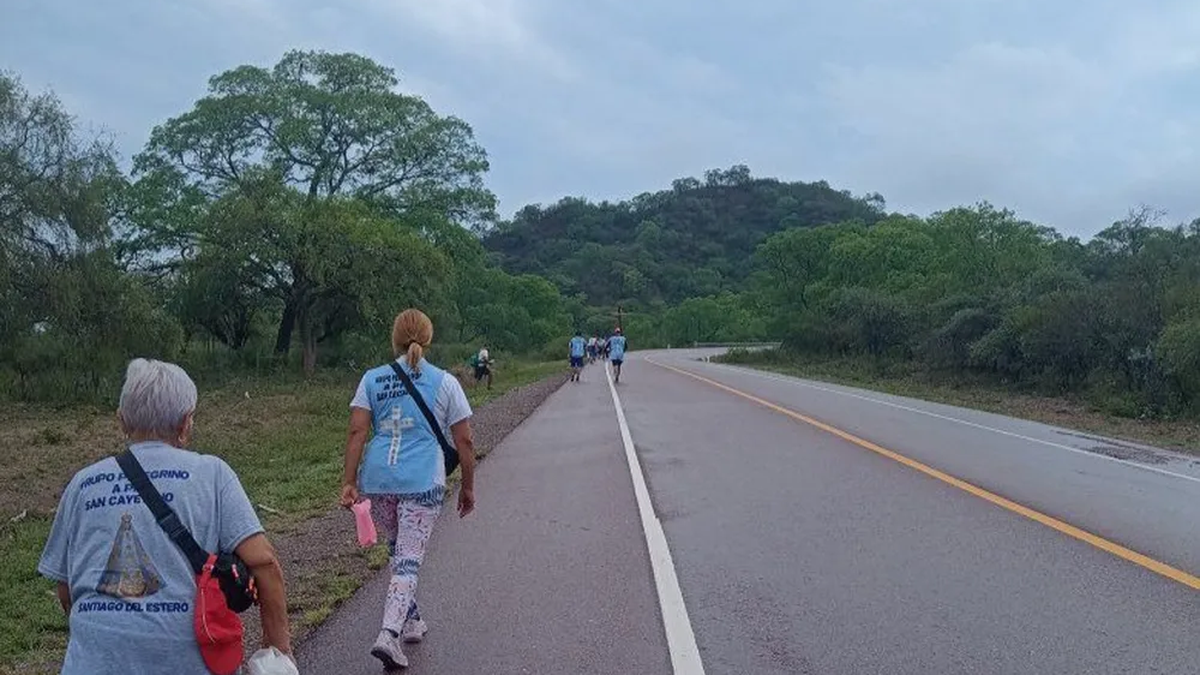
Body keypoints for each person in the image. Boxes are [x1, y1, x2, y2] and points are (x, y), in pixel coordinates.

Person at [38, 359, 292, 675]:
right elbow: (264, 563)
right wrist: (279, 651)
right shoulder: (212, 474)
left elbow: (66, 590)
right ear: (186, 424)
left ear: (121, 421)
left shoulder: (82, 484)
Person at [340, 308, 477, 670]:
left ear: (395, 339)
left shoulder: (372, 379)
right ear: (428, 339)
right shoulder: (445, 382)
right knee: (409, 561)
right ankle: (389, 634)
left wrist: (349, 481)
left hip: (378, 480)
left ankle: (412, 620)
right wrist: (468, 487)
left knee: (398, 550)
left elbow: (357, 431)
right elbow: (464, 441)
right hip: (421, 480)